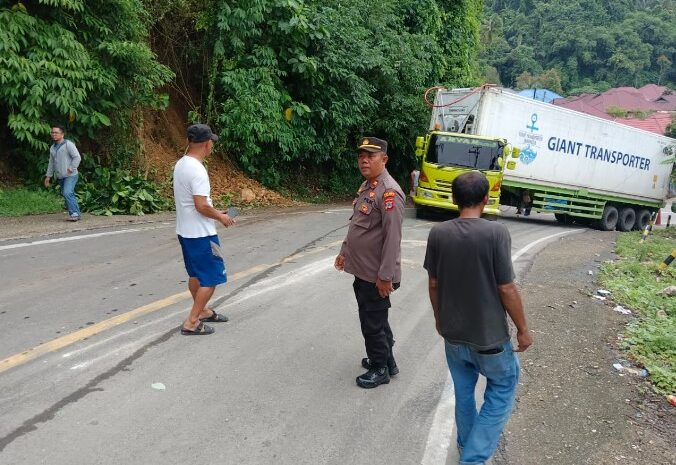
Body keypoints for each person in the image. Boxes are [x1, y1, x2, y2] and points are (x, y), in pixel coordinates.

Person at [423, 171, 533, 465]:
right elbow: (506, 287)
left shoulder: (438, 233)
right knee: (503, 388)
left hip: (454, 335)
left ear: (453, 198)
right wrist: (523, 329)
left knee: (464, 393)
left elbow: (433, 284)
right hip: (490, 339)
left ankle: (465, 445)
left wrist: (439, 318)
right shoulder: (496, 233)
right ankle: (472, 459)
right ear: (486, 199)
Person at [334, 137, 405, 388]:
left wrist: (385, 276)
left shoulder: (389, 192)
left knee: (372, 323)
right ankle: (387, 360)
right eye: (361, 155)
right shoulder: (368, 186)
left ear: (384, 159)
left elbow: (392, 239)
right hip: (364, 270)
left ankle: (379, 369)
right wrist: (344, 251)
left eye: (371, 156)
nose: (364, 160)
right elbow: (357, 225)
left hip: (377, 274)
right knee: (377, 319)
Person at [174, 124, 235, 336]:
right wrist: (221, 217)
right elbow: (200, 205)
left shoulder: (181, 164)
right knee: (212, 278)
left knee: (196, 275)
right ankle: (191, 321)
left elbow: (194, 203)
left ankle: (203, 311)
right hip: (202, 234)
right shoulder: (198, 169)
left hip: (186, 232)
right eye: (211, 143)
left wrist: (215, 210)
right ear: (207, 144)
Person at [44, 125, 82, 221]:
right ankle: (77, 213)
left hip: (71, 175)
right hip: (60, 176)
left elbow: (77, 157)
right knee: (68, 193)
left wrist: (71, 168)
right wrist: (48, 177)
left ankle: (74, 214)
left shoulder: (68, 144)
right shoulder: (52, 147)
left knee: (67, 192)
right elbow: (51, 163)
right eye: (52, 132)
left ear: (62, 134)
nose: (53, 134)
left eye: (56, 132)